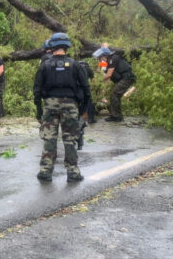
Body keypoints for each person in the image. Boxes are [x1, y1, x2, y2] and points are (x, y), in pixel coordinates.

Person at [33, 32, 91, 182]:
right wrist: (83, 108)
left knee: (49, 139)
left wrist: (39, 109)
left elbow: (37, 89)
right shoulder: (75, 65)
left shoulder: (45, 65)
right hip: (70, 106)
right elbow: (86, 88)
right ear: (67, 46)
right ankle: (73, 173)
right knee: (70, 139)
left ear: (52, 46)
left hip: (50, 105)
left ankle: (45, 171)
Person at [94, 46, 134, 122]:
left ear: (105, 56)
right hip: (121, 79)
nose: (100, 60)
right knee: (115, 96)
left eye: (100, 58)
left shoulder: (113, 59)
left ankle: (117, 116)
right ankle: (116, 115)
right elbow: (102, 71)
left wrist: (99, 81)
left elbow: (108, 75)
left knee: (115, 94)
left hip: (126, 78)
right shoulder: (106, 61)